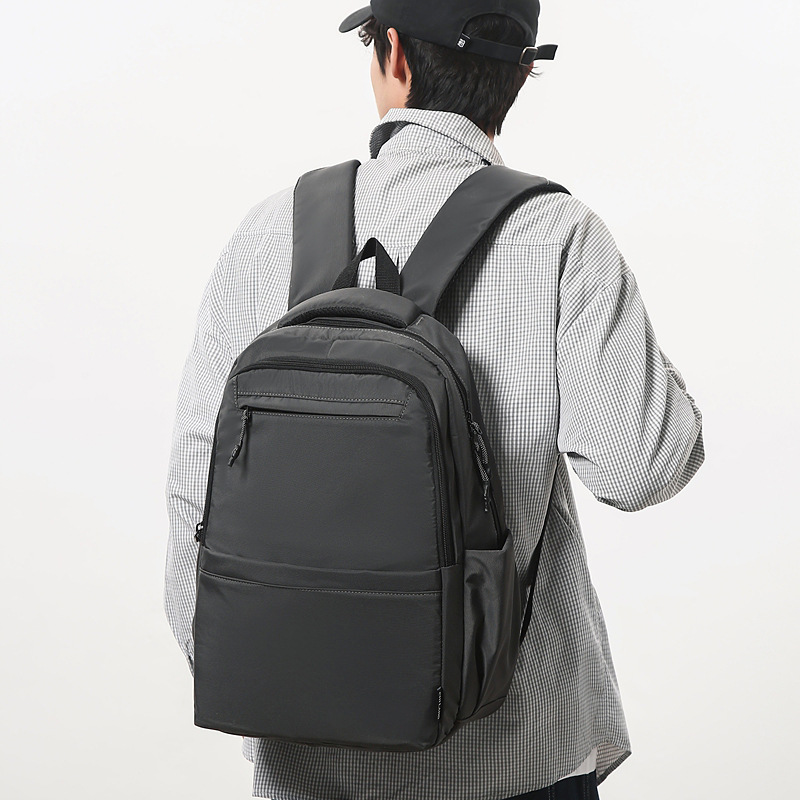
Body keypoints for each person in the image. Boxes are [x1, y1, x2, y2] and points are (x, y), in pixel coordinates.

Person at [164, 1, 705, 798]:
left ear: (393, 55)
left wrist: (278, 674)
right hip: (514, 757)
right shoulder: (558, 236)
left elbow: (195, 497)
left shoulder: (269, 232)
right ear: (522, 73)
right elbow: (641, 466)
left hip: (305, 763)